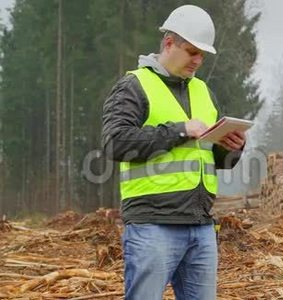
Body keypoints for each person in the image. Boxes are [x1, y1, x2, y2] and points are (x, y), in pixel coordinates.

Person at [101, 5, 245, 300]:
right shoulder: (134, 85)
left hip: (201, 225)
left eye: (202, 54)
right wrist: (179, 130)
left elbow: (213, 161)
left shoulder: (203, 91)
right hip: (152, 225)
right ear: (169, 44)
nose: (198, 60)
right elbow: (115, 142)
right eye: (192, 51)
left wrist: (232, 148)